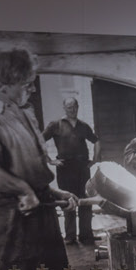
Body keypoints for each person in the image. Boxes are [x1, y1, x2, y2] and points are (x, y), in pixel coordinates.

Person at [0, 47, 72, 270]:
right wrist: (23, 190)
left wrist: (52, 192)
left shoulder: (24, 113)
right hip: (15, 218)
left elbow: (29, 167)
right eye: (26, 85)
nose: (33, 89)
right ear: (2, 87)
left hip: (42, 213)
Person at [42, 97, 98, 245]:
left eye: (74, 107)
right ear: (64, 108)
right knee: (68, 201)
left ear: (78, 107)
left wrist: (95, 160)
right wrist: (49, 160)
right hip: (65, 168)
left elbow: (96, 141)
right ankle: (70, 236)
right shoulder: (56, 125)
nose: (72, 110)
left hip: (83, 168)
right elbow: (40, 140)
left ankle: (86, 235)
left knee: (85, 200)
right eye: (69, 107)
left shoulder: (83, 126)